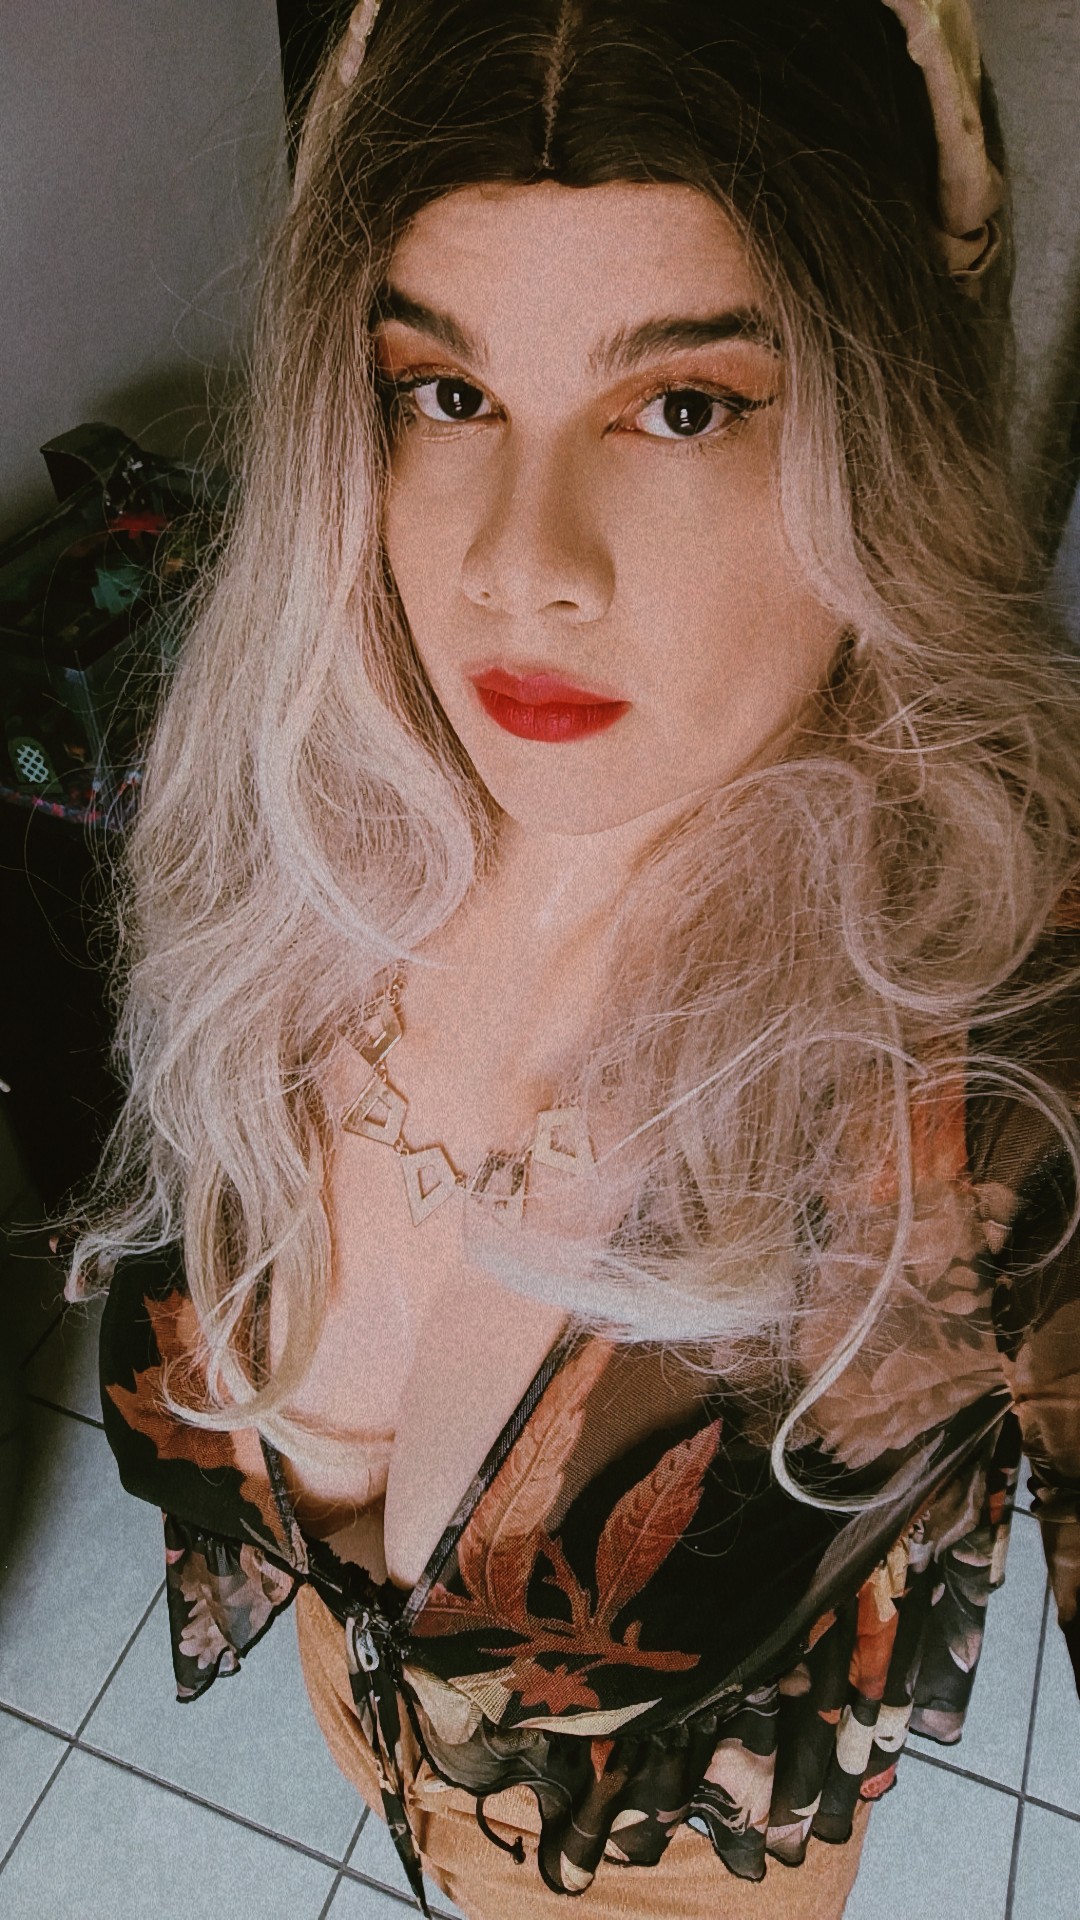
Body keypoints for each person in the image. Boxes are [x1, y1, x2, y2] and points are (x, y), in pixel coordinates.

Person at [66, 2, 1080, 1915]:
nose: (522, 567)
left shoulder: (1002, 1000)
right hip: (360, 1725)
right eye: (446, 394)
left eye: (684, 405)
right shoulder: (285, 818)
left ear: (886, 428)